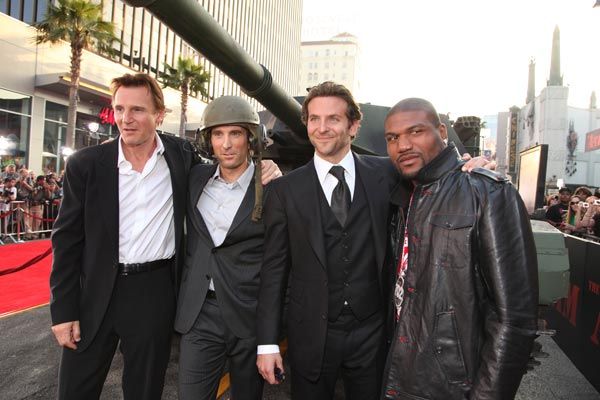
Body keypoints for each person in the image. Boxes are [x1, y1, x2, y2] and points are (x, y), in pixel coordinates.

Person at [256, 82, 491, 399]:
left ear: (353, 125)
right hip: (310, 332)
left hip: (373, 333)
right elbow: (274, 271)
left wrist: (467, 168)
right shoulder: (283, 191)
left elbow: (435, 180)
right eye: (314, 119)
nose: (322, 128)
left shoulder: (387, 173)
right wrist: (267, 343)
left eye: (333, 119)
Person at [49, 73, 199, 400]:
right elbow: (66, 241)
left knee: (145, 391)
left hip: (153, 292)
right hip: (94, 292)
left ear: (159, 115)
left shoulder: (181, 156)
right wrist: (63, 311)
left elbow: (224, 171)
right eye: (119, 109)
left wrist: (265, 169)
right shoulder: (86, 164)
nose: (125, 119)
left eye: (137, 110)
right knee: (75, 390)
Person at [381, 98, 538, 400]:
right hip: (401, 371)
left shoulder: (488, 192)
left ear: (442, 131)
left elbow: (515, 320)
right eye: (392, 138)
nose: (403, 145)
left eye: (415, 131)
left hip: (452, 384)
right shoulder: (402, 194)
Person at [175, 96, 276, 400]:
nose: (227, 144)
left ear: (251, 139)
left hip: (249, 315)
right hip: (199, 312)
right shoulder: (195, 178)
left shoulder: (273, 187)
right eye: (218, 134)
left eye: (235, 133)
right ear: (209, 140)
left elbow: (282, 261)